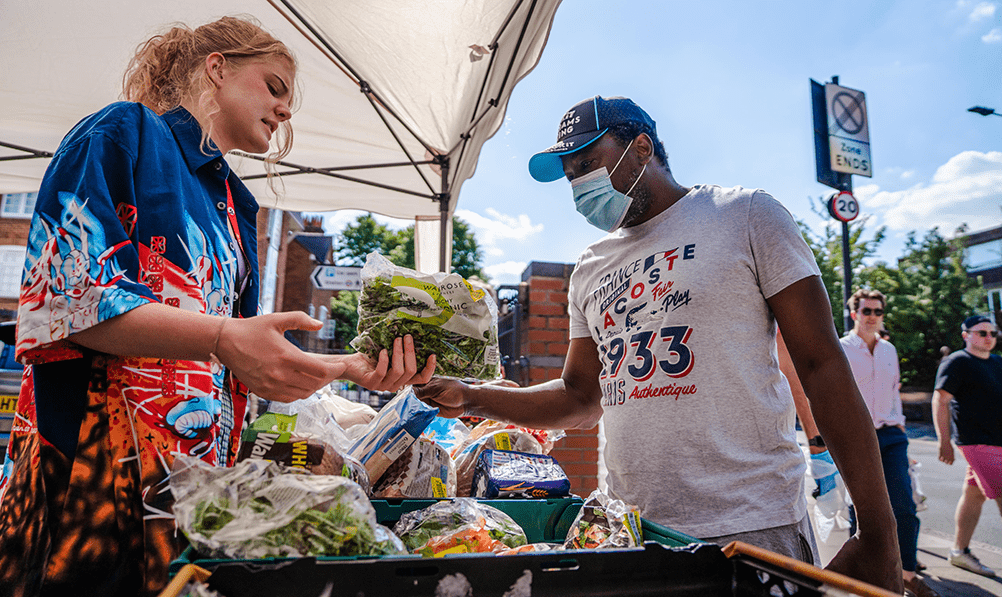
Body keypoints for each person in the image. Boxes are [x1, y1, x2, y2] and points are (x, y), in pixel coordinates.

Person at [0, 17, 435, 597]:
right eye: (275, 86)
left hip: (190, 502)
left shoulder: (234, 202)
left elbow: (225, 367)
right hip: (90, 483)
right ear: (217, 68)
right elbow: (69, 299)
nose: (285, 112)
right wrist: (226, 338)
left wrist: (329, 372)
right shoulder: (125, 131)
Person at [416, 95, 902, 593]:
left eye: (587, 163)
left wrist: (879, 532)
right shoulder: (589, 268)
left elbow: (822, 364)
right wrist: (470, 396)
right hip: (631, 532)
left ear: (642, 147)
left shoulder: (746, 216)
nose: (579, 185)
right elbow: (581, 398)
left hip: (751, 527)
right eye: (570, 176)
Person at [839, 289, 938, 597]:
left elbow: (894, 390)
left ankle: (906, 573)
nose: (872, 317)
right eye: (866, 311)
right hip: (856, 436)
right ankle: (866, 574)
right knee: (862, 510)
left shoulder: (889, 350)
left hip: (892, 435)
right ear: (854, 314)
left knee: (904, 507)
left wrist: (900, 427)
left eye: (877, 312)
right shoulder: (840, 348)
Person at [932, 314, 1002, 578]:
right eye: (982, 333)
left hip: (998, 441)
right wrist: (944, 441)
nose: (988, 338)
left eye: (993, 333)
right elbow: (941, 401)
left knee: (974, 494)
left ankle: (960, 552)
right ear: (966, 335)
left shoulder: (997, 363)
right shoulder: (958, 362)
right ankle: (960, 552)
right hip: (977, 442)